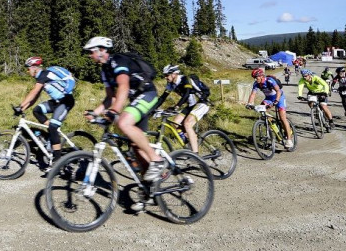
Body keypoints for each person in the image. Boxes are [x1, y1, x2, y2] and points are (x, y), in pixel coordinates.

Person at [83, 36, 165, 185]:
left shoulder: (117, 60)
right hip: (136, 101)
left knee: (123, 123)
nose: (89, 55)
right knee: (136, 147)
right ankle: (149, 191)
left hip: (148, 94)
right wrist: (95, 113)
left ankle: (157, 160)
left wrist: (114, 111)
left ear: (101, 50)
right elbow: (110, 98)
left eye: (91, 51)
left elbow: (123, 86)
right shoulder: (104, 70)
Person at [13, 56, 76, 169]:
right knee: (37, 110)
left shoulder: (44, 75)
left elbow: (34, 92)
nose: (28, 71)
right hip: (56, 103)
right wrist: (23, 109)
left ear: (34, 67)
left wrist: (21, 105)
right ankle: (50, 135)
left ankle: (57, 160)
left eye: (28, 69)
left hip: (66, 102)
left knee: (52, 126)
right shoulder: (41, 78)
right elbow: (35, 98)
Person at [156, 65, 211, 153]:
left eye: (167, 75)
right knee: (175, 123)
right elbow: (163, 98)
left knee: (187, 124)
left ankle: (195, 154)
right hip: (191, 105)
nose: (165, 77)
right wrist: (153, 108)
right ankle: (189, 141)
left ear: (174, 74)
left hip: (202, 103)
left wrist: (177, 106)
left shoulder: (185, 79)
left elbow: (187, 93)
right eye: (164, 75)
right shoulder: (170, 84)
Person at [246, 68, 294, 148]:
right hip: (268, 99)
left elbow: (278, 91)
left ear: (261, 76)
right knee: (262, 112)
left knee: (282, 118)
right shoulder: (256, 84)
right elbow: (253, 94)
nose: (255, 79)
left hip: (279, 98)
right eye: (254, 77)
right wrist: (250, 103)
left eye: (256, 77)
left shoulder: (269, 80)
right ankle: (275, 128)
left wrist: (276, 101)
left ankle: (289, 140)